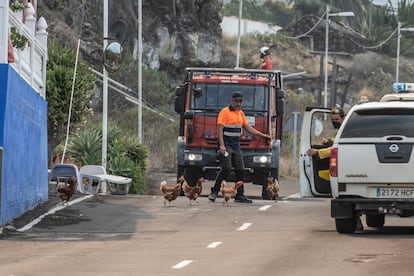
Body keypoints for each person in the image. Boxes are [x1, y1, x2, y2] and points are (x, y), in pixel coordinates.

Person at [208, 92, 272, 203]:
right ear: (232, 101)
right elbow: (219, 129)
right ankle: (214, 191)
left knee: (240, 169)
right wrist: (222, 146)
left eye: (240, 101)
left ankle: (240, 195)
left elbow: (248, 127)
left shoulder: (240, 113)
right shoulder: (224, 112)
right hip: (226, 144)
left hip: (236, 144)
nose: (238, 104)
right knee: (227, 168)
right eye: (236, 101)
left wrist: (262, 135)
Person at [307, 106, 346, 180]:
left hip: (343, 165)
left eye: (337, 119)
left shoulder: (347, 130)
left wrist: (318, 152)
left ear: (343, 118)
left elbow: (338, 148)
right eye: (332, 119)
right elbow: (339, 141)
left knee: (320, 175)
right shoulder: (344, 129)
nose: (334, 121)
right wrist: (329, 141)